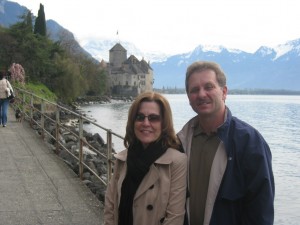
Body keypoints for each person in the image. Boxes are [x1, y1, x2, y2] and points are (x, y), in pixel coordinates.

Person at [177, 61, 275, 225]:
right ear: (189, 98)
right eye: (195, 90)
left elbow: (261, 210)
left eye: (208, 87)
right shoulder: (181, 141)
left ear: (224, 92)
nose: (201, 94)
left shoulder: (250, 142)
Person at [104, 92, 187, 225]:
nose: (145, 123)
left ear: (164, 123)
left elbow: (174, 217)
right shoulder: (123, 158)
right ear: (133, 121)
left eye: (153, 118)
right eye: (140, 117)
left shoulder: (176, 162)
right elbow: (111, 205)